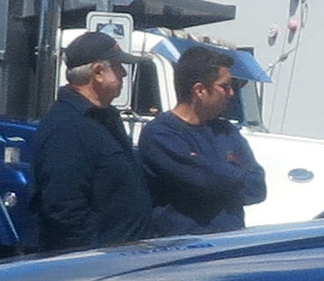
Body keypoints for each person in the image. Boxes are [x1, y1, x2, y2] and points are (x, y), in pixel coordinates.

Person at [28, 31, 153, 252]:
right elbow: (63, 207)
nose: (124, 73)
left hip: (126, 258)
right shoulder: (66, 127)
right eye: (117, 66)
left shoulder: (106, 118)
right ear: (97, 72)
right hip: (98, 266)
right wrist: (91, 258)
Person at [138, 45, 267, 235]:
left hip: (229, 246)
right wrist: (235, 174)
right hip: (182, 250)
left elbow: (257, 187)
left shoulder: (227, 131)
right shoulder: (160, 134)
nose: (231, 93)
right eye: (225, 86)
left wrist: (211, 171)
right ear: (200, 90)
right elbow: (203, 181)